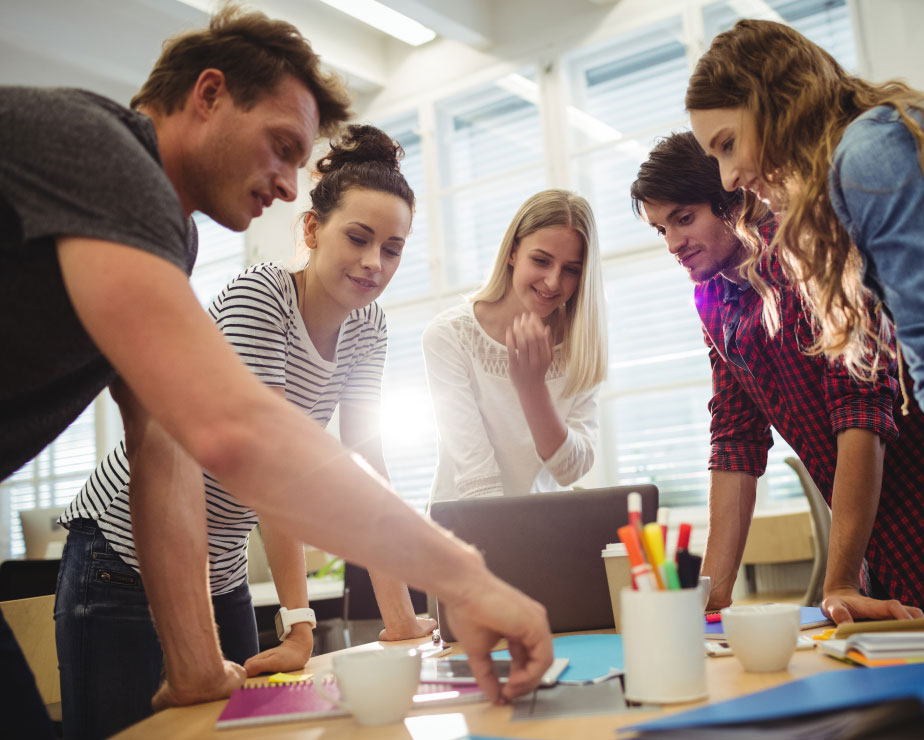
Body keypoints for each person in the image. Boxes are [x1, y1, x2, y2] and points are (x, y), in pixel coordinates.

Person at [0, 9, 551, 735]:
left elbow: (162, 445)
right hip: (111, 564)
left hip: (214, 568)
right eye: (281, 147)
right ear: (208, 96)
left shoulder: (169, 235)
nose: (290, 186)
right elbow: (239, 434)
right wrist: (469, 582)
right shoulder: (106, 154)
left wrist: (196, 660)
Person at [685, 18, 924, 644]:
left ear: (777, 105)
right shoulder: (867, 169)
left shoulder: (870, 157)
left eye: (728, 145)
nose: (729, 178)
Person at [54, 124, 437, 738]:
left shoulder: (369, 327)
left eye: (392, 249)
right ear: (312, 231)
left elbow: (368, 463)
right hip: (121, 559)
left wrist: (401, 617)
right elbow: (268, 467)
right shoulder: (261, 297)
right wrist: (300, 622)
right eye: (358, 238)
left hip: (220, 568)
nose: (373, 263)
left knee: (243, 733)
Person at [630, 132, 924, 642]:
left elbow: (861, 414)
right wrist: (713, 600)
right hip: (873, 538)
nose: (674, 243)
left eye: (685, 218)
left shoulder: (809, 254)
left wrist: (836, 579)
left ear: (732, 198)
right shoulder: (713, 301)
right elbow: (734, 443)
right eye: (662, 229)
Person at [423, 189, 607, 502]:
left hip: (535, 532)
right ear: (512, 252)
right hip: (462, 529)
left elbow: (571, 470)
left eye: (571, 270)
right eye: (541, 260)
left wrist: (532, 388)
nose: (552, 281)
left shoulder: (582, 346)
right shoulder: (450, 335)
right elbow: (476, 476)